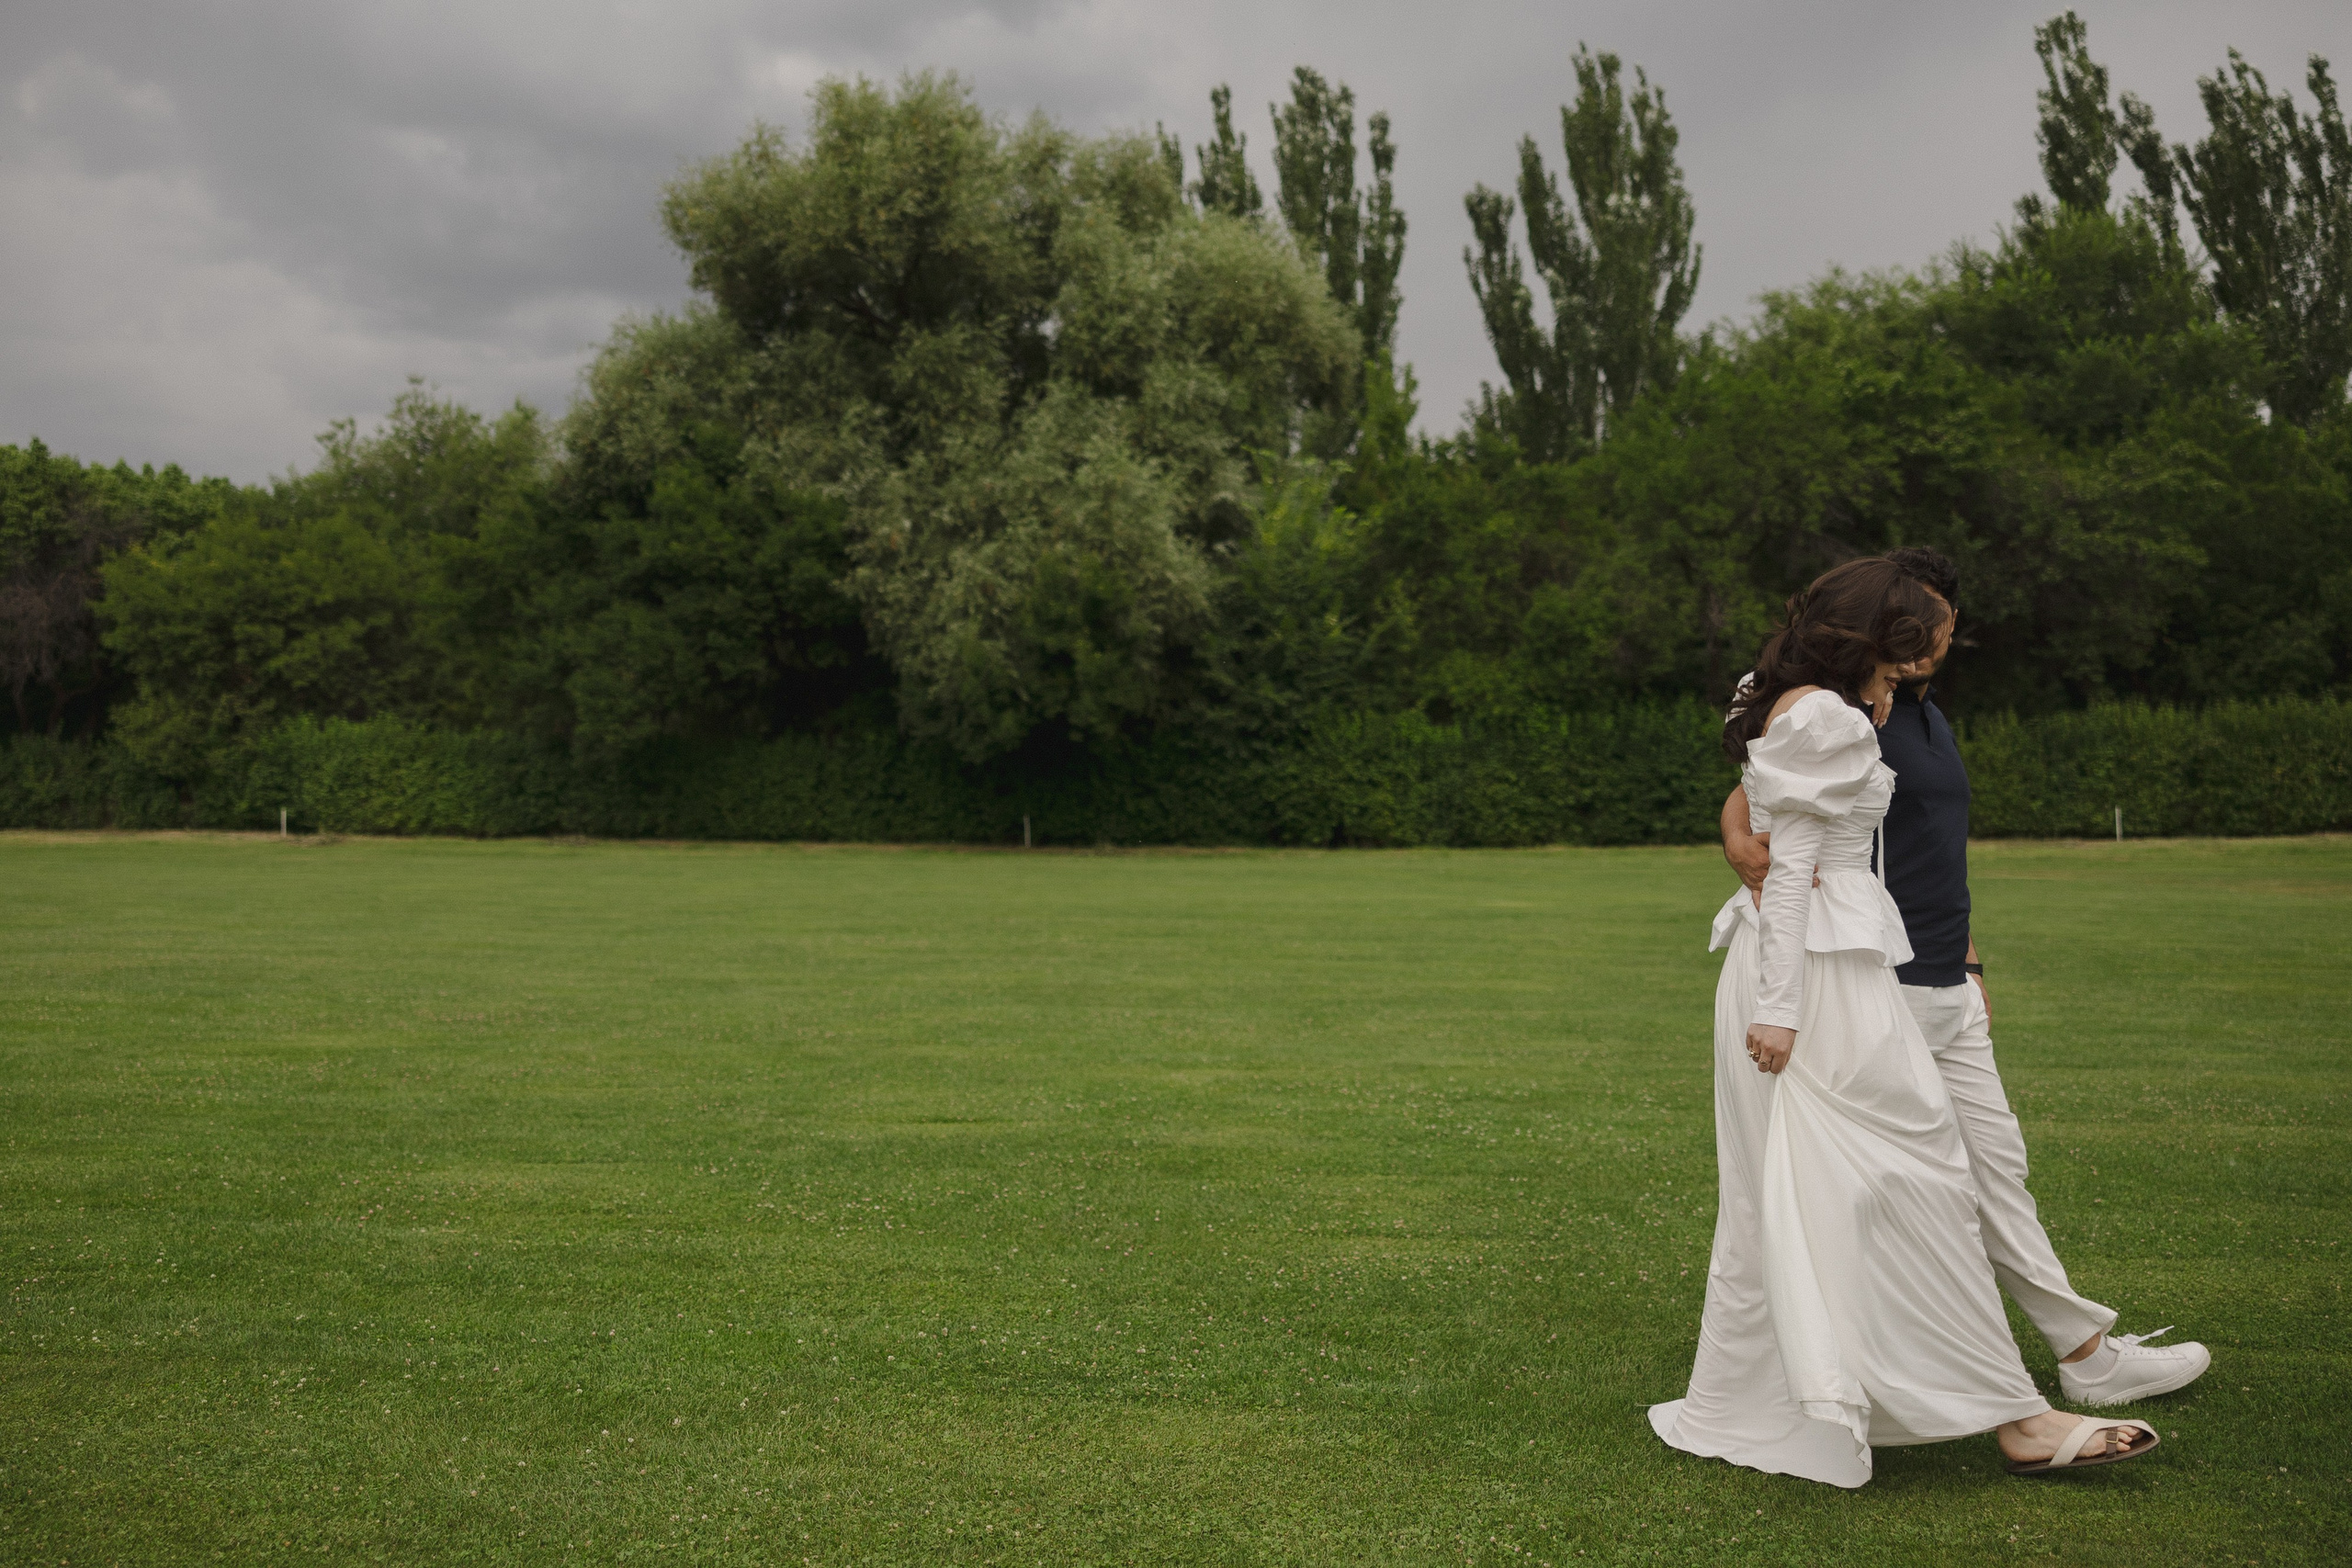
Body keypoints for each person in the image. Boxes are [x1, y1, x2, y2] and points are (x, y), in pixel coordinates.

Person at [1649, 558, 2162, 1486]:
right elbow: (1793, 861)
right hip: (1813, 979)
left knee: (1871, 1186)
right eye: (1933, 623)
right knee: (1898, 1179)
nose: (1947, 635)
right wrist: (1778, 1011)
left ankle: (1984, 1405)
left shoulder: (1822, 706)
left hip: (1832, 964)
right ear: (1881, 631)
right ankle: (2002, 1411)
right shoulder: (1824, 716)